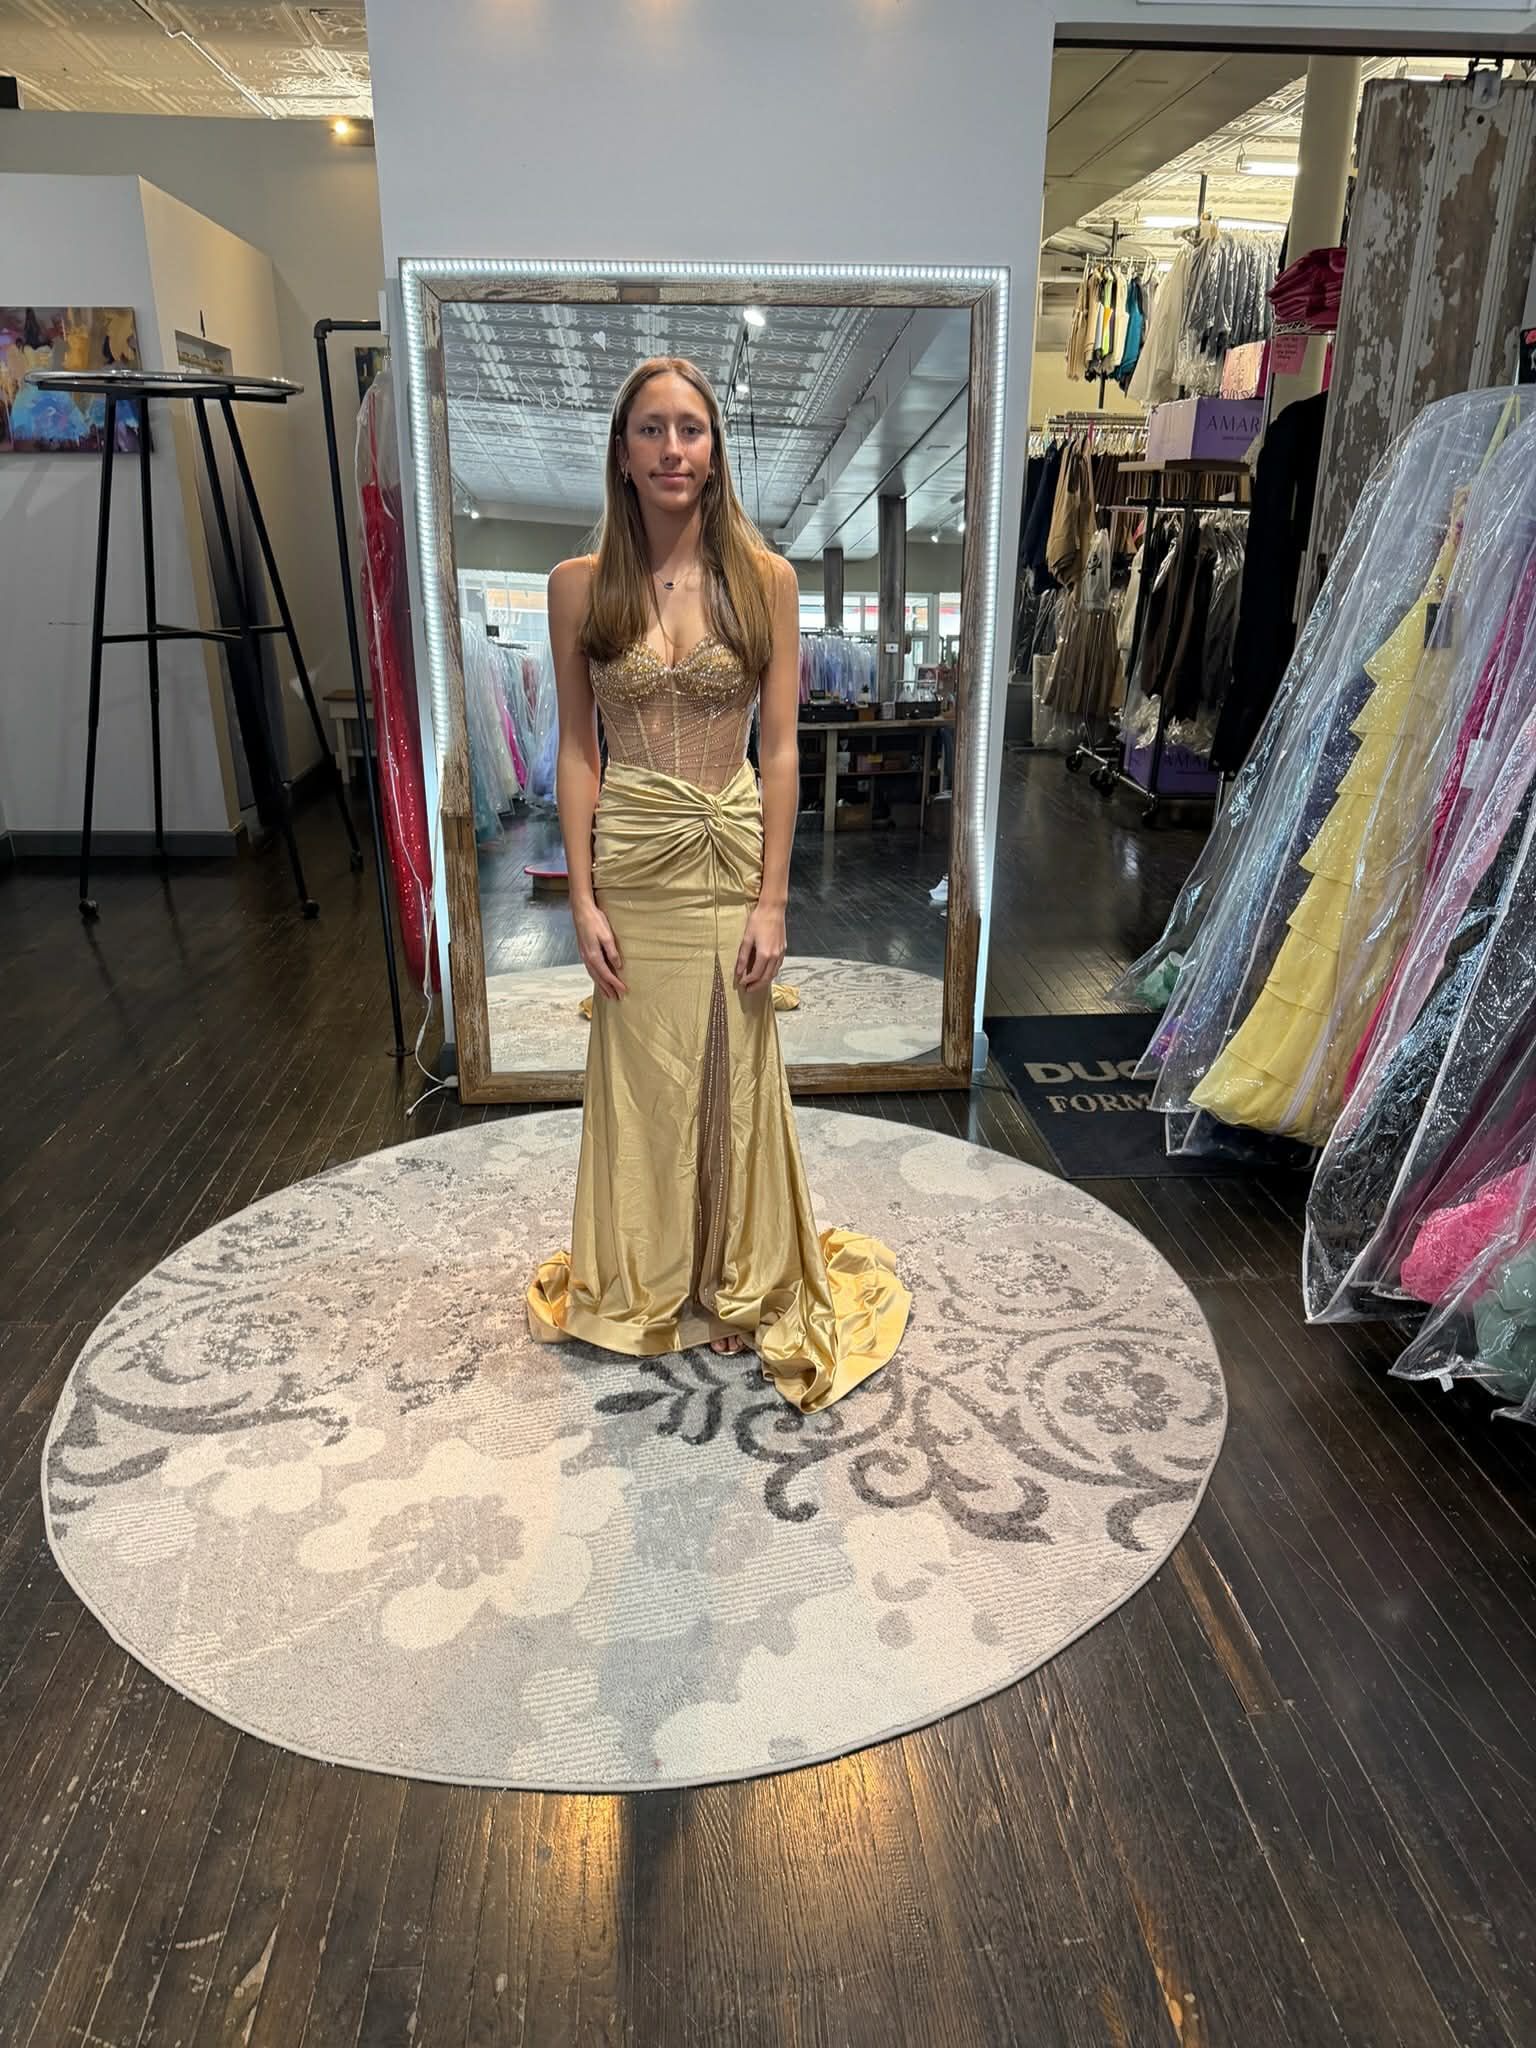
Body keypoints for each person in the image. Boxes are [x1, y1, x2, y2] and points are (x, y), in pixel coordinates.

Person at [525, 355, 911, 1412]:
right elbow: (575, 750)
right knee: (644, 1069)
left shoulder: (765, 580)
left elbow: (780, 748)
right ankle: (649, 1280)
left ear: (716, 447)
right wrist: (585, 896)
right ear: (623, 449)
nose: (672, 450)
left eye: (690, 429)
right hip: (638, 851)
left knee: (735, 1065)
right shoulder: (578, 585)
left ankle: (739, 1278)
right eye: (651, 430)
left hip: (732, 846)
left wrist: (776, 896)